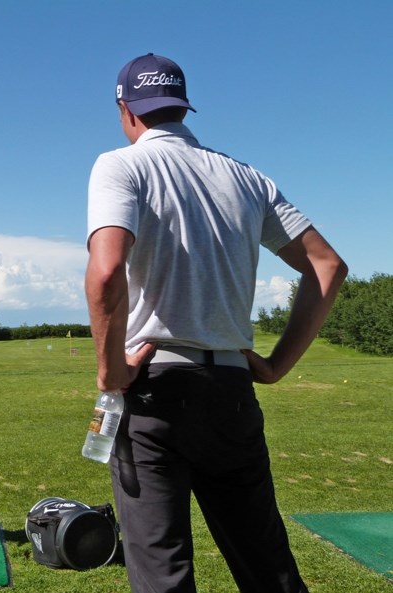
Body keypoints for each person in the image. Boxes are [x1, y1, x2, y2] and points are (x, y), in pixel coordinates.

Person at [85, 53, 347, 593]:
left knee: (163, 574)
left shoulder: (121, 165)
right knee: (267, 566)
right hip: (230, 389)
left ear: (126, 109)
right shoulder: (248, 179)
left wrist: (112, 374)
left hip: (154, 385)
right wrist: (274, 367)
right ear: (182, 107)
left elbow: (107, 271)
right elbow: (327, 265)